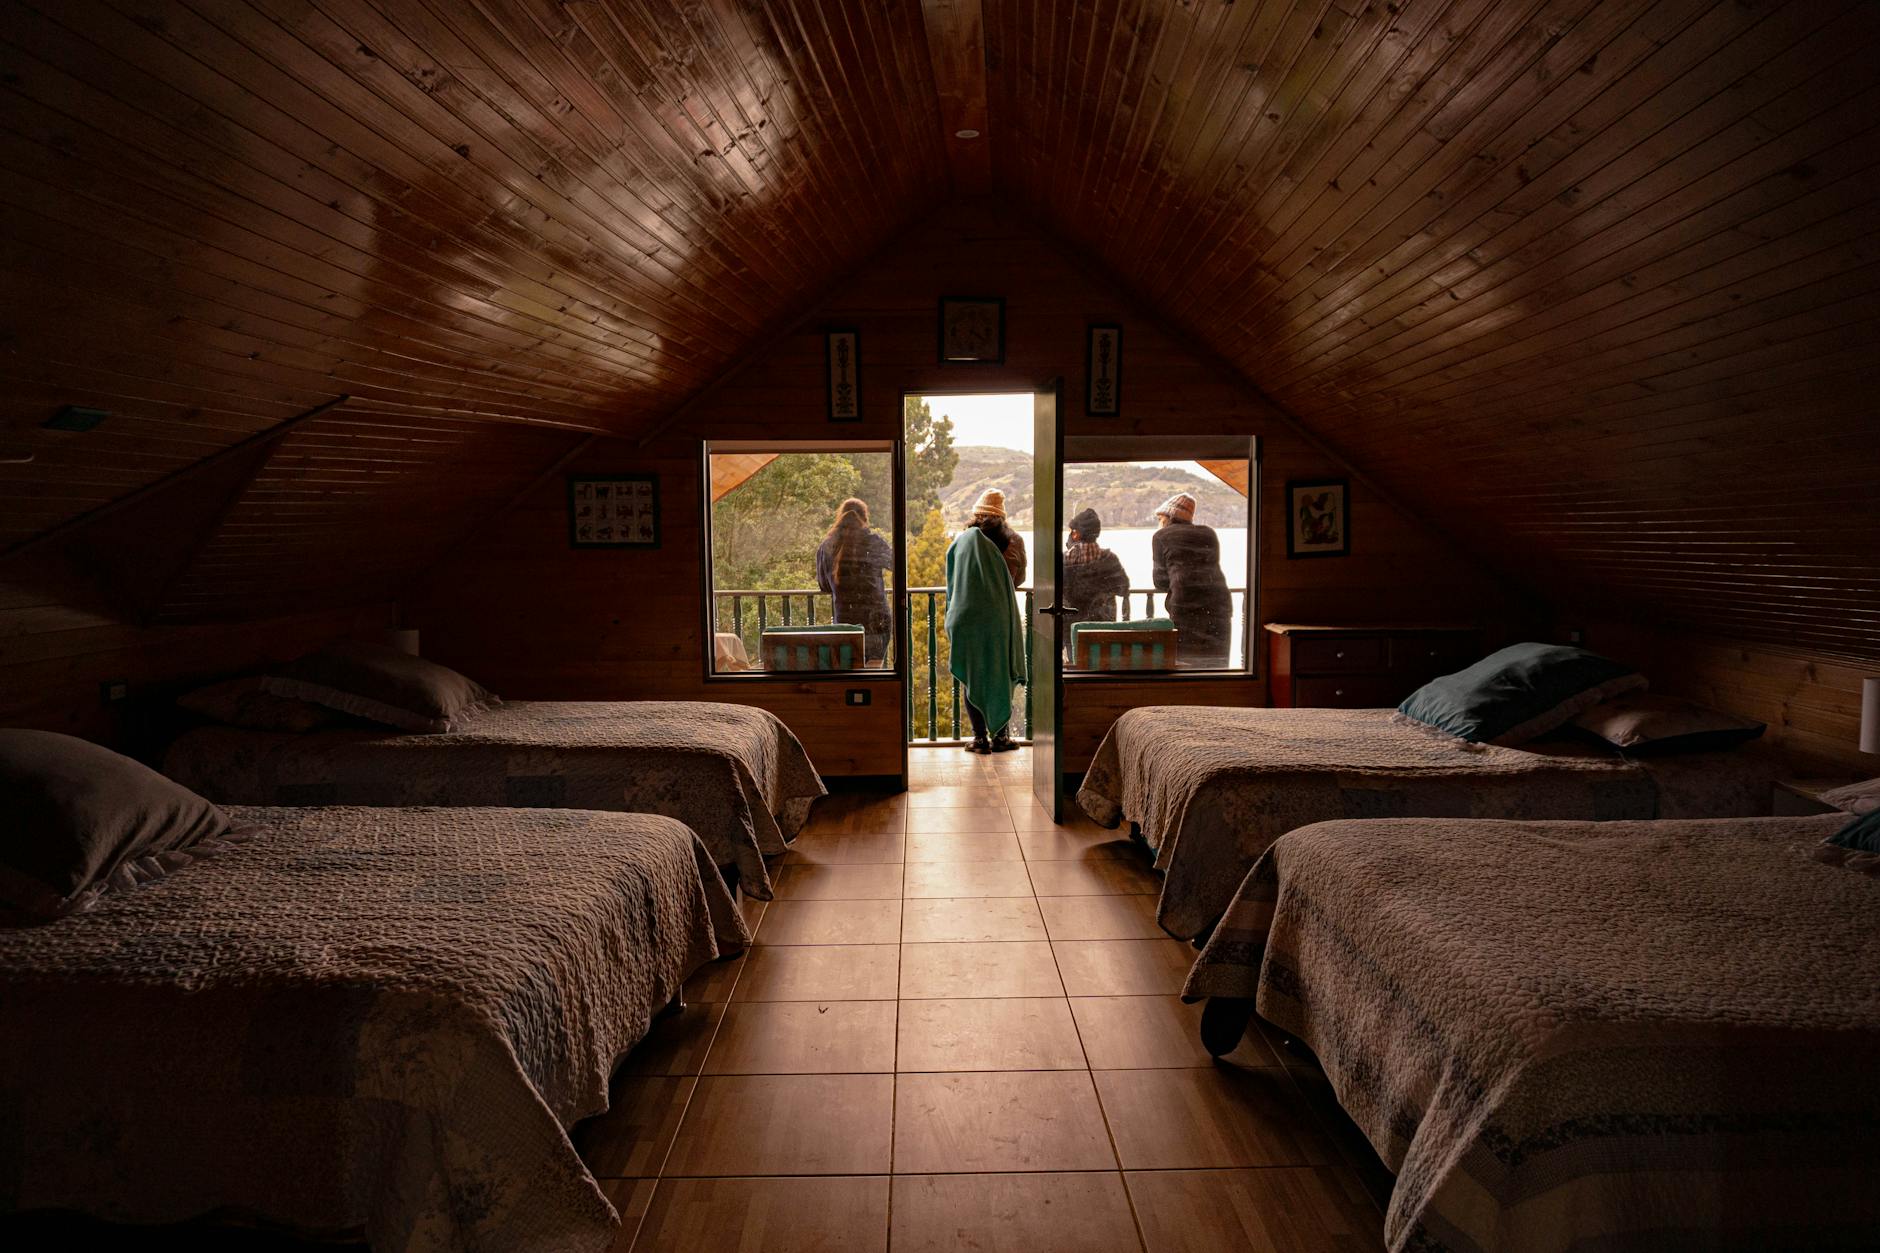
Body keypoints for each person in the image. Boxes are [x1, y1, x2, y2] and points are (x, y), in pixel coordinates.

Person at [945, 493, 1027, 754]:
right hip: (998, 617)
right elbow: (1019, 578)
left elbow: (953, 578)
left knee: (972, 675)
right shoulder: (1013, 540)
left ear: (977, 514)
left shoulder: (963, 540)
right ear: (1001, 515)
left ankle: (980, 739)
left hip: (966, 617)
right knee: (1000, 673)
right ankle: (1001, 737)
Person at [1151, 492, 1232, 667]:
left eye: (1160, 518)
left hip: (1185, 606)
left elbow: (1160, 581)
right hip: (1220, 604)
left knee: (1186, 665)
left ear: (1168, 516)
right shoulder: (1208, 533)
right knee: (1217, 665)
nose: (1159, 522)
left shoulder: (1160, 536)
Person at [814, 497, 894, 665]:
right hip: (877, 620)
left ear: (840, 517)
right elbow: (896, 564)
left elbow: (824, 585)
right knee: (872, 672)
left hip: (846, 623)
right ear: (865, 518)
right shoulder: (873, 542)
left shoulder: (827, 546)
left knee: (850, 671)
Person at [1061, 507, 1130, 660]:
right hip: (1103, 625)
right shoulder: (1110, 559)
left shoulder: (1064, 559)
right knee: (1102, 663)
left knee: (1075, 662)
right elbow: (1123, 588)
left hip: (1071, 627)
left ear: (1076, 533)